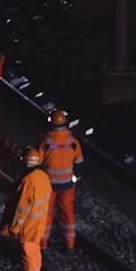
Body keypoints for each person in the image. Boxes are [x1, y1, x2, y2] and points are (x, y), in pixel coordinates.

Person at [1, 147, 52, 271]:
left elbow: (22, 208)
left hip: (28, 225)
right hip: (39, 222)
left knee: (28, 253)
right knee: (34, 252)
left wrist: (15, 227)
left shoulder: (29, 180)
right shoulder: (43, 177)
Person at [38, 108, 84, 252]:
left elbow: (38, 162)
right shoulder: (73, 142)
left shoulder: (45, 141)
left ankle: (43, 244)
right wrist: (74, 178)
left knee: (46, 214)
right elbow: (79, 163)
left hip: (48, 184)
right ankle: (70, 245)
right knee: (67, 214)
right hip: (67, 185)